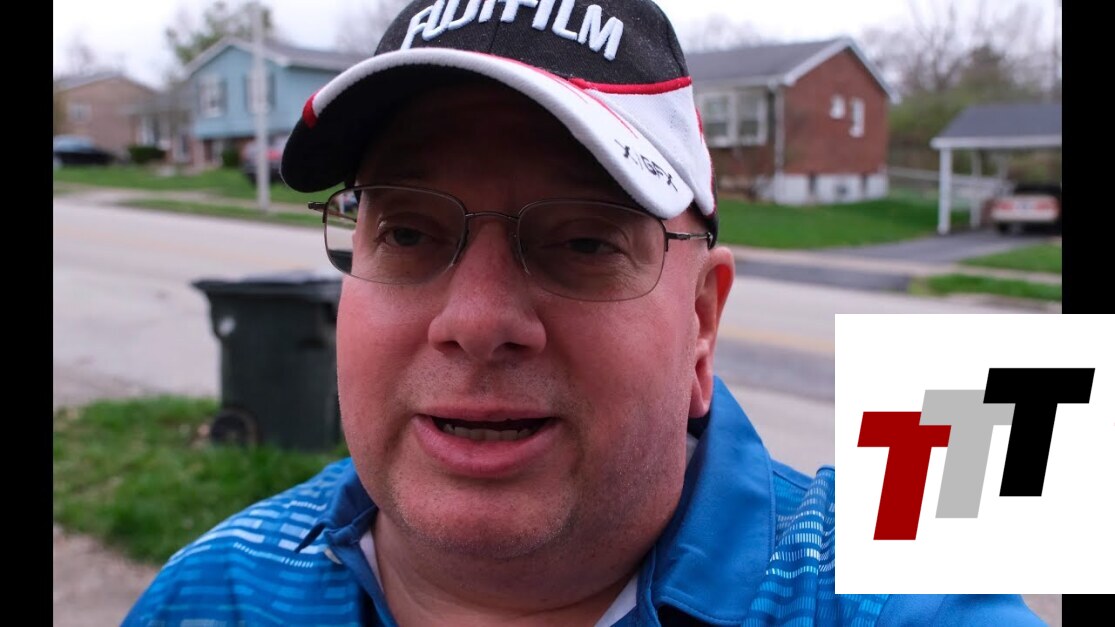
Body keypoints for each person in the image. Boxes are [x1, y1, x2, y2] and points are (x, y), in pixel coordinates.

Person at [124, 1, 1045, 625]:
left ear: (701, 322)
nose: (476, 320)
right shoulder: (216, 591)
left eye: (581, 241)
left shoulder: (882, 591)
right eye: (406, 232)